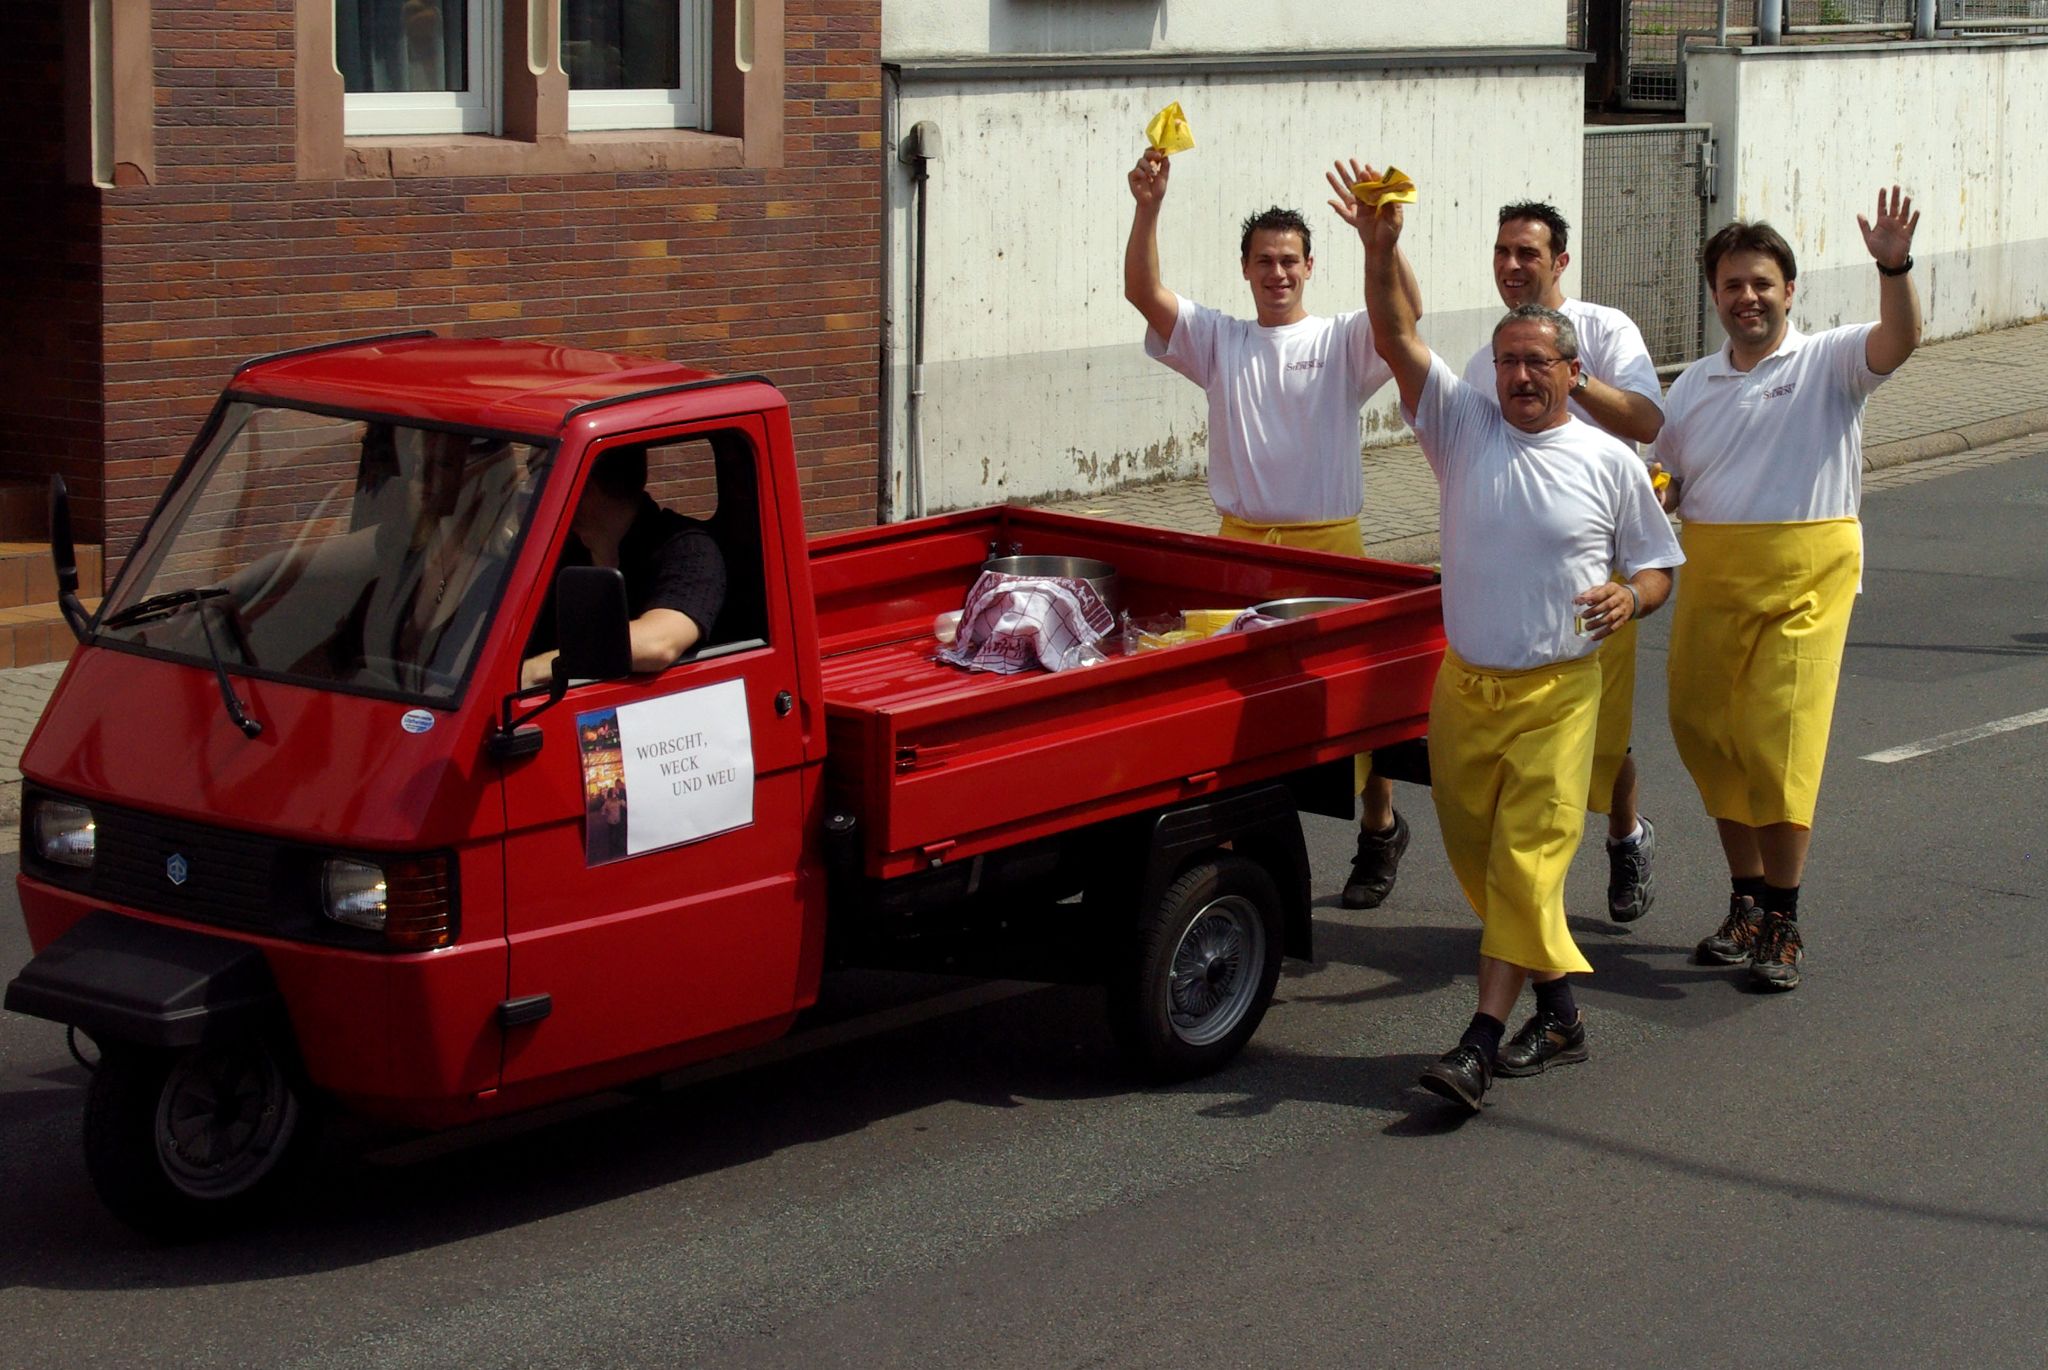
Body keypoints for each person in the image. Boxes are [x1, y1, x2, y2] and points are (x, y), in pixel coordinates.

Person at [1345, 164, 1683, 1111]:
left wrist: (1634, 598)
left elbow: (1660, 563)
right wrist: (1379, 249)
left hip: (1557, 696)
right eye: (1508, 364)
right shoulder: (1463, 430)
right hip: (1465, 691)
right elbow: (1397, 335)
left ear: (1575, 373)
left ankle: (1479, 1044)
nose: (1522, 377)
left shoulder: (1609, 461)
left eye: (1540, 363)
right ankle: (1563, 1014)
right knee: (1477, 861)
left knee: (1529, 863)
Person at [1124, 147, 1426, 910]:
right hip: (1240, 552)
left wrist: (1380, 242)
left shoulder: (1340, 341)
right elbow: (1144, 291)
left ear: (1310, 266)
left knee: (1355, 704)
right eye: (1265, 261)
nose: (1278, 273)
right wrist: (1149, 206)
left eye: (1290, 260)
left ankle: (1379, 827)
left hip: (1334, 552)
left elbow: (1406, 317)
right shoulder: (1220, 339)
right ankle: (1233, 853)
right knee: (1238, 706)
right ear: (1246, 269)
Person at [1652, 189, 1922, 993]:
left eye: (1762, 283)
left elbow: (1900, 340)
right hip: (1713, 572)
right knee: (1705, 731)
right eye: (1733, 285)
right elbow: (1666, 476)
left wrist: (1893, 266)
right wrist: (1652, 499)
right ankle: (1745, 899)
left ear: (1789, 291)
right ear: (1715, 296)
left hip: (1807, 573)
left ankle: (1785, 917)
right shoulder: (1693, 385)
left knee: (1778, 740)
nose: (1748, 298)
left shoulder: (1829, 360)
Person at [1458, 201, 1668, 924]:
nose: (1513, 266)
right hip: (1521, 562)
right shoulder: (1484, 353)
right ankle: (1528, 904)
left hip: (1601, 563)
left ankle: (1625, 835)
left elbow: (1646, 420)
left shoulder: (1605, 328)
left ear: (1560, 262)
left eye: (1529, 253)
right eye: (1503, 251)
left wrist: (1566, 374)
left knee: (1604, 737)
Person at [521, 444, 726, 688]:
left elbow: (659, 644)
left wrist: (536, 669)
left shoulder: (689, 551)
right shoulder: (561, 552)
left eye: (541, 479)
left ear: (585, 489)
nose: (532, 492)